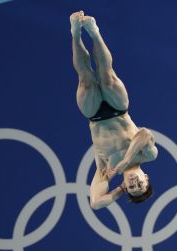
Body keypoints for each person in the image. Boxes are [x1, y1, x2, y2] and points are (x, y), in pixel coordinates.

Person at [70, 11, 158, 210]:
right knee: (107, 75)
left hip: (95, 115)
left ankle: (75, 32)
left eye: (132, 187)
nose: (135, 183)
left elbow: (96, 204)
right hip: (119, 109)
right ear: (146, 176)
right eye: (140, 184)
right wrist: (126, 161)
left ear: (126, 186)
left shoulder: (105, 171)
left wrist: (118, 189)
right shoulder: (148, 155)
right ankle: (95, 32)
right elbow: (144, 133)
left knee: (86, 80)